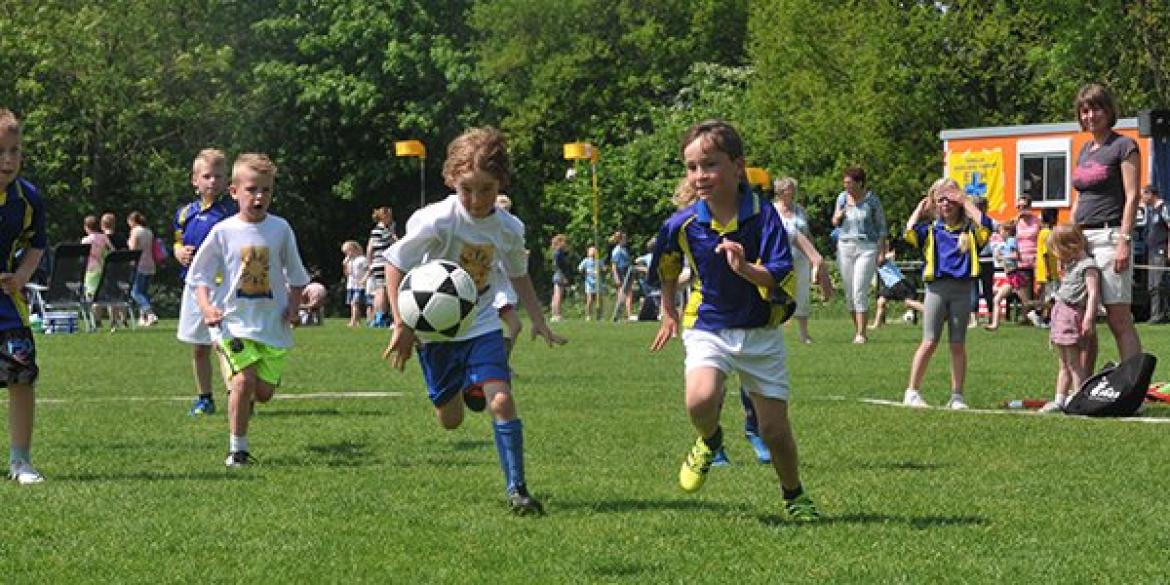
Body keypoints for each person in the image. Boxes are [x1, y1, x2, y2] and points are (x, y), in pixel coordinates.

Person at [382, 126, 566, 515]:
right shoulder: (436, 220)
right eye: (467, 188)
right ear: (451, 179)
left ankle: (518, 489)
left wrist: (539, 320)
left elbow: (518, 274)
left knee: (501, 398)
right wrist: (402, 324)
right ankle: (464, 385)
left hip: (481, 323)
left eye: (486, 189)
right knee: (450, 420)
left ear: (500, 182)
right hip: (436, 330)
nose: (476, 199)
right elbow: (395, 262)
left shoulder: (508, 228)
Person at [649, 120, 819, 521]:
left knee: (774, 431)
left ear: (738, 165)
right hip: (708, 324)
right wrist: (669, 310)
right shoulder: (682, 224)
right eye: (691, 167)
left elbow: (777, 273)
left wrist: (745, 268)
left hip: (761, 330)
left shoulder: (764, 217)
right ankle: (710, 439)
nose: (699, 176)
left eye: (709, 165)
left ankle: (793, 495)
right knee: (700, 398)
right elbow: (667, 266)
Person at [188, 153, 309, 466]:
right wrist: (206, 308)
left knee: (263, 391)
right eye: (252, 189)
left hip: (271, 326)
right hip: (232, 324)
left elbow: (296, 277)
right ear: (234, 191)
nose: (259, 197)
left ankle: (244, 400)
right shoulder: (223, 231)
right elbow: (198, 276)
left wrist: (294, 308)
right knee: (243, 381)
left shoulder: (281, 229)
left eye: (266, 190)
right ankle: (237, 450)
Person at [901, 178, 992, 409]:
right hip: (937, 290)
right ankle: (912, 391)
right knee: (930, 340)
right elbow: (908, 233)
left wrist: (967, 203)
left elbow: (987, 227)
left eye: (950, 200)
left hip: (962, 290)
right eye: (941, 200)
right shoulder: (931, 231)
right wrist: (920, 209)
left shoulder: (970, 233)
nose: (946, 204)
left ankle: (957, 395)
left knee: (957, 344)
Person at [1070, 82, 1142, 365]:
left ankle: (1132, 386)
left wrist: (1124, 240)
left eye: (1096, 108)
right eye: (1085, 110)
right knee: (1081, 316)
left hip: (1110, 236)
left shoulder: (1124, 146)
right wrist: (1069, 239)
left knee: (1117, 318)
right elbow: (1080, 198)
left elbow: (1133, 195)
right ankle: (1081, 387)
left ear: (1109, 111)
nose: (1090, 115)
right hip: (1082, 241)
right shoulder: (1085, 151)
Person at [0, 108, 48, 484]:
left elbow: (36, 245)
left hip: (5, 305)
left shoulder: (28, 198)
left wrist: (20, 277)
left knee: (21, 374)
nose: (8, 159)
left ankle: (20, 461)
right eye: (1, 150)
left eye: (14, 150)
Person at [175, 148, 238, 417]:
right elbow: (179, 239)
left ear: (227, 182)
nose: (212, 181)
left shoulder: (232, 212)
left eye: (219, 176)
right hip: (193, 287)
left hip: (222, 288)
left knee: (224, 344)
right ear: (195, 180)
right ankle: (204, 397)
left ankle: (237, 394)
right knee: (199, 347)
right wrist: (178, 250)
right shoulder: (184, 213)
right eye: (207, 176)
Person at [1039, 225, 1100, 413]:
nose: (1057, 257)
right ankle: (1059, 399)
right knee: (1063, 362)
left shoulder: (1088, 266)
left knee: (1074, 363)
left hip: (1073, 316)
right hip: (1061, 314)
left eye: (1058, 251)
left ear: (1070, 246)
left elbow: (1093, 293)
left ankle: (1079, 398)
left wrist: (1089, 317)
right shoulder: (1072, 266)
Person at [831, 166, 887, 344]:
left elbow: (882, 227)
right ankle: (857, 330)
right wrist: (838, 216)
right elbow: (834, 222)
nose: (846, 186)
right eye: (845, 182)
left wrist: (882, 251)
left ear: (860, 183)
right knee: (849, 293)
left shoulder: (872, 201)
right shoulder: (841, 198)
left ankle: (862, 333)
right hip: (845, 245)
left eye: (849, 183)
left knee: (859, 289)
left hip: (866, 247)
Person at [773, 176, 832, 344]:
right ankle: (776, 331)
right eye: (789, 188)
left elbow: (807, 234)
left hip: (801, 258)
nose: (792, 192)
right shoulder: (772, 210)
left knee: (802, 294)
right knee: (780, 293)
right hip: (780, 258)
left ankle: (804, 334)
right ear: (781, 191)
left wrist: (814, 256)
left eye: (793, 188)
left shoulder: (800, 210)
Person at [492, 194, 524, 357]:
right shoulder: (487, 230)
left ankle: (502, 359)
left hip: (502, 291)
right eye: (500, 208)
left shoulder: (512, 229)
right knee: (515, 325)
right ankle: (500, 359)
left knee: (515, 326)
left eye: (507, 209)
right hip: (493, 294)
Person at [869, 251, 925, 328]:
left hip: (896, 283)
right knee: (881, 302)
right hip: (890, 284)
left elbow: (891, 255)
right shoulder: (878, 258)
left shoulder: (882, 258)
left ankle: (932, 312)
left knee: (909, 302)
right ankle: (877, 325)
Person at [1140, 184, 1169, 323]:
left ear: (1151, 194)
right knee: (1151, 284)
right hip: (1151, 251)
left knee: (1158, 283)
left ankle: (1159, 315)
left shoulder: (1164, 208)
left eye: (1144, 195)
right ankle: (1154, 314)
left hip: (1160, 250)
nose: (1143, 198)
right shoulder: (1152, 211)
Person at [984, 221, 1020, 331]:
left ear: (1007, 231)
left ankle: (1048, 306)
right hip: (1010, 276)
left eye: (1001, 231)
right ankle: (994, 324)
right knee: (996, 298)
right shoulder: (1006, 242)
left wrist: (1002, 257)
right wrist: (1000, 257)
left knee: (1027, 303)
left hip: (1014, 276)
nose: (1000, 234)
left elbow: (1016, 255)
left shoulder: (1011, 241)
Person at [1014, 195, 1044, 326]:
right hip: (1021, 259)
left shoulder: (1036, 221)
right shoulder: (1015, 223)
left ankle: (1037, 313)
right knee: (1024, 290)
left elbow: (1043, 236)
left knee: (1040, 288)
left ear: (1030, 207)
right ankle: (1026, 316)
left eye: (1024, 206)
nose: (1022, 209)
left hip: (1036, 258)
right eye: (1019, 206)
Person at [364, 207, 397, 328]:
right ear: (384, 216)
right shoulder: (384, 230)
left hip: (376, 263)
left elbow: (369, 249)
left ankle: (378, 316)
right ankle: (382, 316)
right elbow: (396, 243)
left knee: (379, 290)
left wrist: (370, 265)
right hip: (384, 262)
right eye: (389, 215)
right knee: (384, 290)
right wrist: (393, 232)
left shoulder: (374, 231)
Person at [126, 211, 158, 326]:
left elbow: (133, 248)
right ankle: (143, 318)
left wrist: (128, 242)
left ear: (132, 221)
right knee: (144, 292)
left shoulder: (135, 231)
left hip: (139, 265)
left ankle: (150, 313)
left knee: (136, 292)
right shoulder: (148, 231)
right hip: (150, 264)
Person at [969, 198, 996, 328]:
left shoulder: (970, 223)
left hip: (976, 259)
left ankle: (975, 319)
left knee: (974, 290)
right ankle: (991, 317)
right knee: (987, 290)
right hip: (987, 259)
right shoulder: (988, 222)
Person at [1032, 209, 1060, 328]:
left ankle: (1047, 318)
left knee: (1050, 295)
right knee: (1053, 295)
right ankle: (1037, 314)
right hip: (1047, 270)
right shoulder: (1047, 233)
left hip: (1048, 269)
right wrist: (1048, 270)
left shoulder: (1044, 232)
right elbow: (1045, 253)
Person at [80, 215, 112, 302]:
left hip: (90, 269)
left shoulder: (85, 240)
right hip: (102, 268)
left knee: (91, 292)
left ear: (86, 227)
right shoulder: (104, 237)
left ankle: (92, 312)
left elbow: (82, 257)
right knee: (99, 292)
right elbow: (112, 251)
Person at [341, 240, 368, 328]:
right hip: (351, 285)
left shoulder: (362, 259)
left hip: (359, 285)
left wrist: (364, 279)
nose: (347, 254)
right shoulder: (350, 261)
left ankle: (353, 321)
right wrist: (345, 265)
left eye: (348, 251)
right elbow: (347, 274)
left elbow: (368, 270)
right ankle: (358, 322)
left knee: (355, 303)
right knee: (353, 304)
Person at [610, 230, 635, 320]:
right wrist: (616, 278)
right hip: (621, 272)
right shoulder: (617, 250)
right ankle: (621, 313)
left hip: (627, 272)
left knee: (629, 293)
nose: (626, 240)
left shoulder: (624, 249)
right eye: (624, 238)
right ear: (620, 239)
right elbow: (614, 265)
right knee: (623, 293)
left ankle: (628, 313)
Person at [549, 234, 571, 322]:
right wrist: (565, 276)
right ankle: (557, 314)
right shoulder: (559, 253)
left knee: (555, 294)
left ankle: (554, 314)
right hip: (560, 274)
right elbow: (561, 265)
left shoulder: (556, 252)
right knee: (558, 295)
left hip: (556, 274)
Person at [577, 246, 601, 320]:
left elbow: (604, 268)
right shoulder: (586, 261)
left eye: (594, 251)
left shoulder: (598, 261)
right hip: (589, 283)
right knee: (590, 299)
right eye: (592, 251)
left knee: (599, 300)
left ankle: (599, 316)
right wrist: (585, 271)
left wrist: (600, 270)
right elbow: (580, 268)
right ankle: (588, 315)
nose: (593, 253)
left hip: (597, 283)